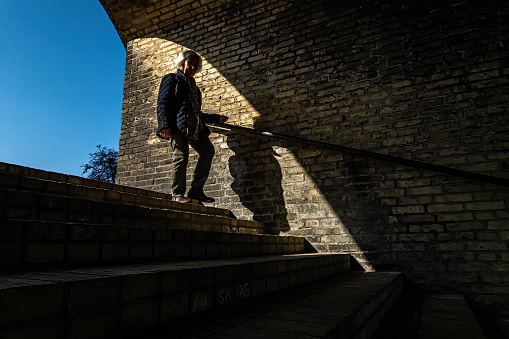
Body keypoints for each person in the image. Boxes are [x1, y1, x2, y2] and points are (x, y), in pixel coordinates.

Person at [156, 50, 228, 203]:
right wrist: (163, 125)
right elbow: (162, 103)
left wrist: (216, 118)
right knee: (181, 157)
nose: (194, 68)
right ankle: (177, 194)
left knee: (208, 151)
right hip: (178, 126)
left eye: (196, 65)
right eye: (191, 64)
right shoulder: (172, 79)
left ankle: (196, 189)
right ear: (182, 63)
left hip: (195, 127)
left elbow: (196, 112)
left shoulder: (195, 88)